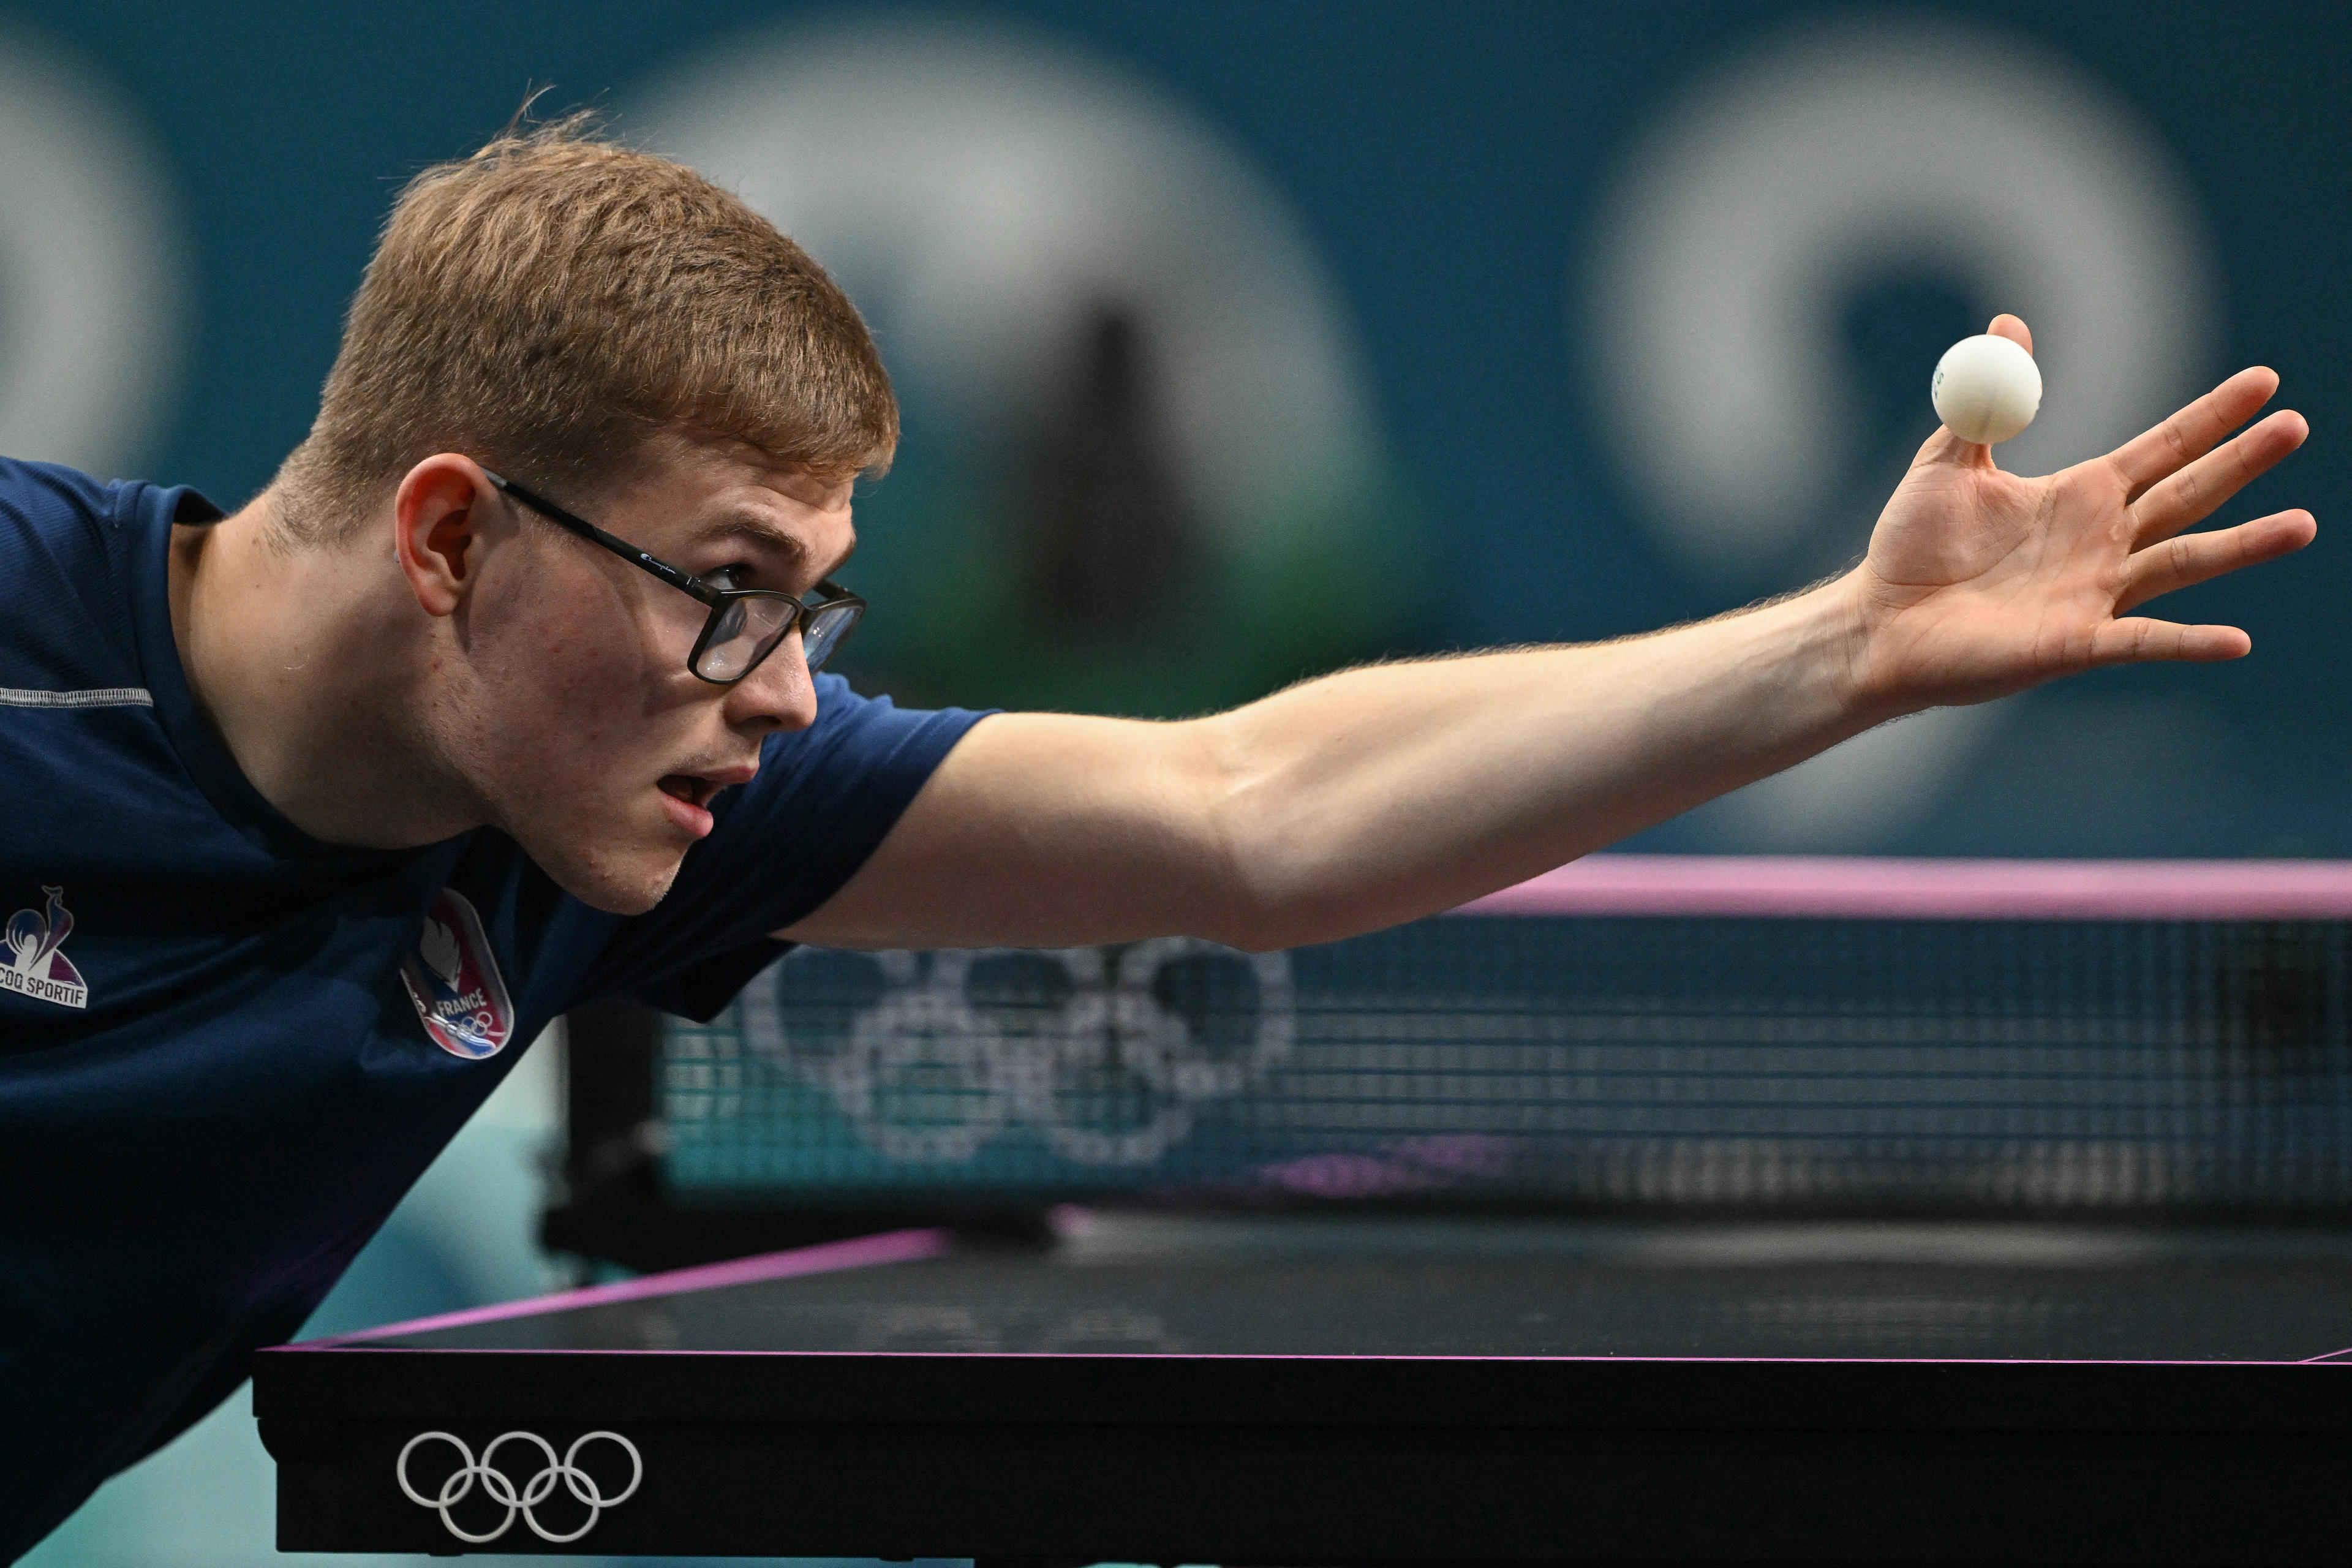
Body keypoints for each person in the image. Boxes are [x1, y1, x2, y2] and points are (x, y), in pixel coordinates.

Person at [0, 115, 2312, 1558]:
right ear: (442, 539)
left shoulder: (627, 796)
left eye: (815, 608)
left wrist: (1847, 647)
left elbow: (1249, 810)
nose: (789, 690)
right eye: (730, 595)